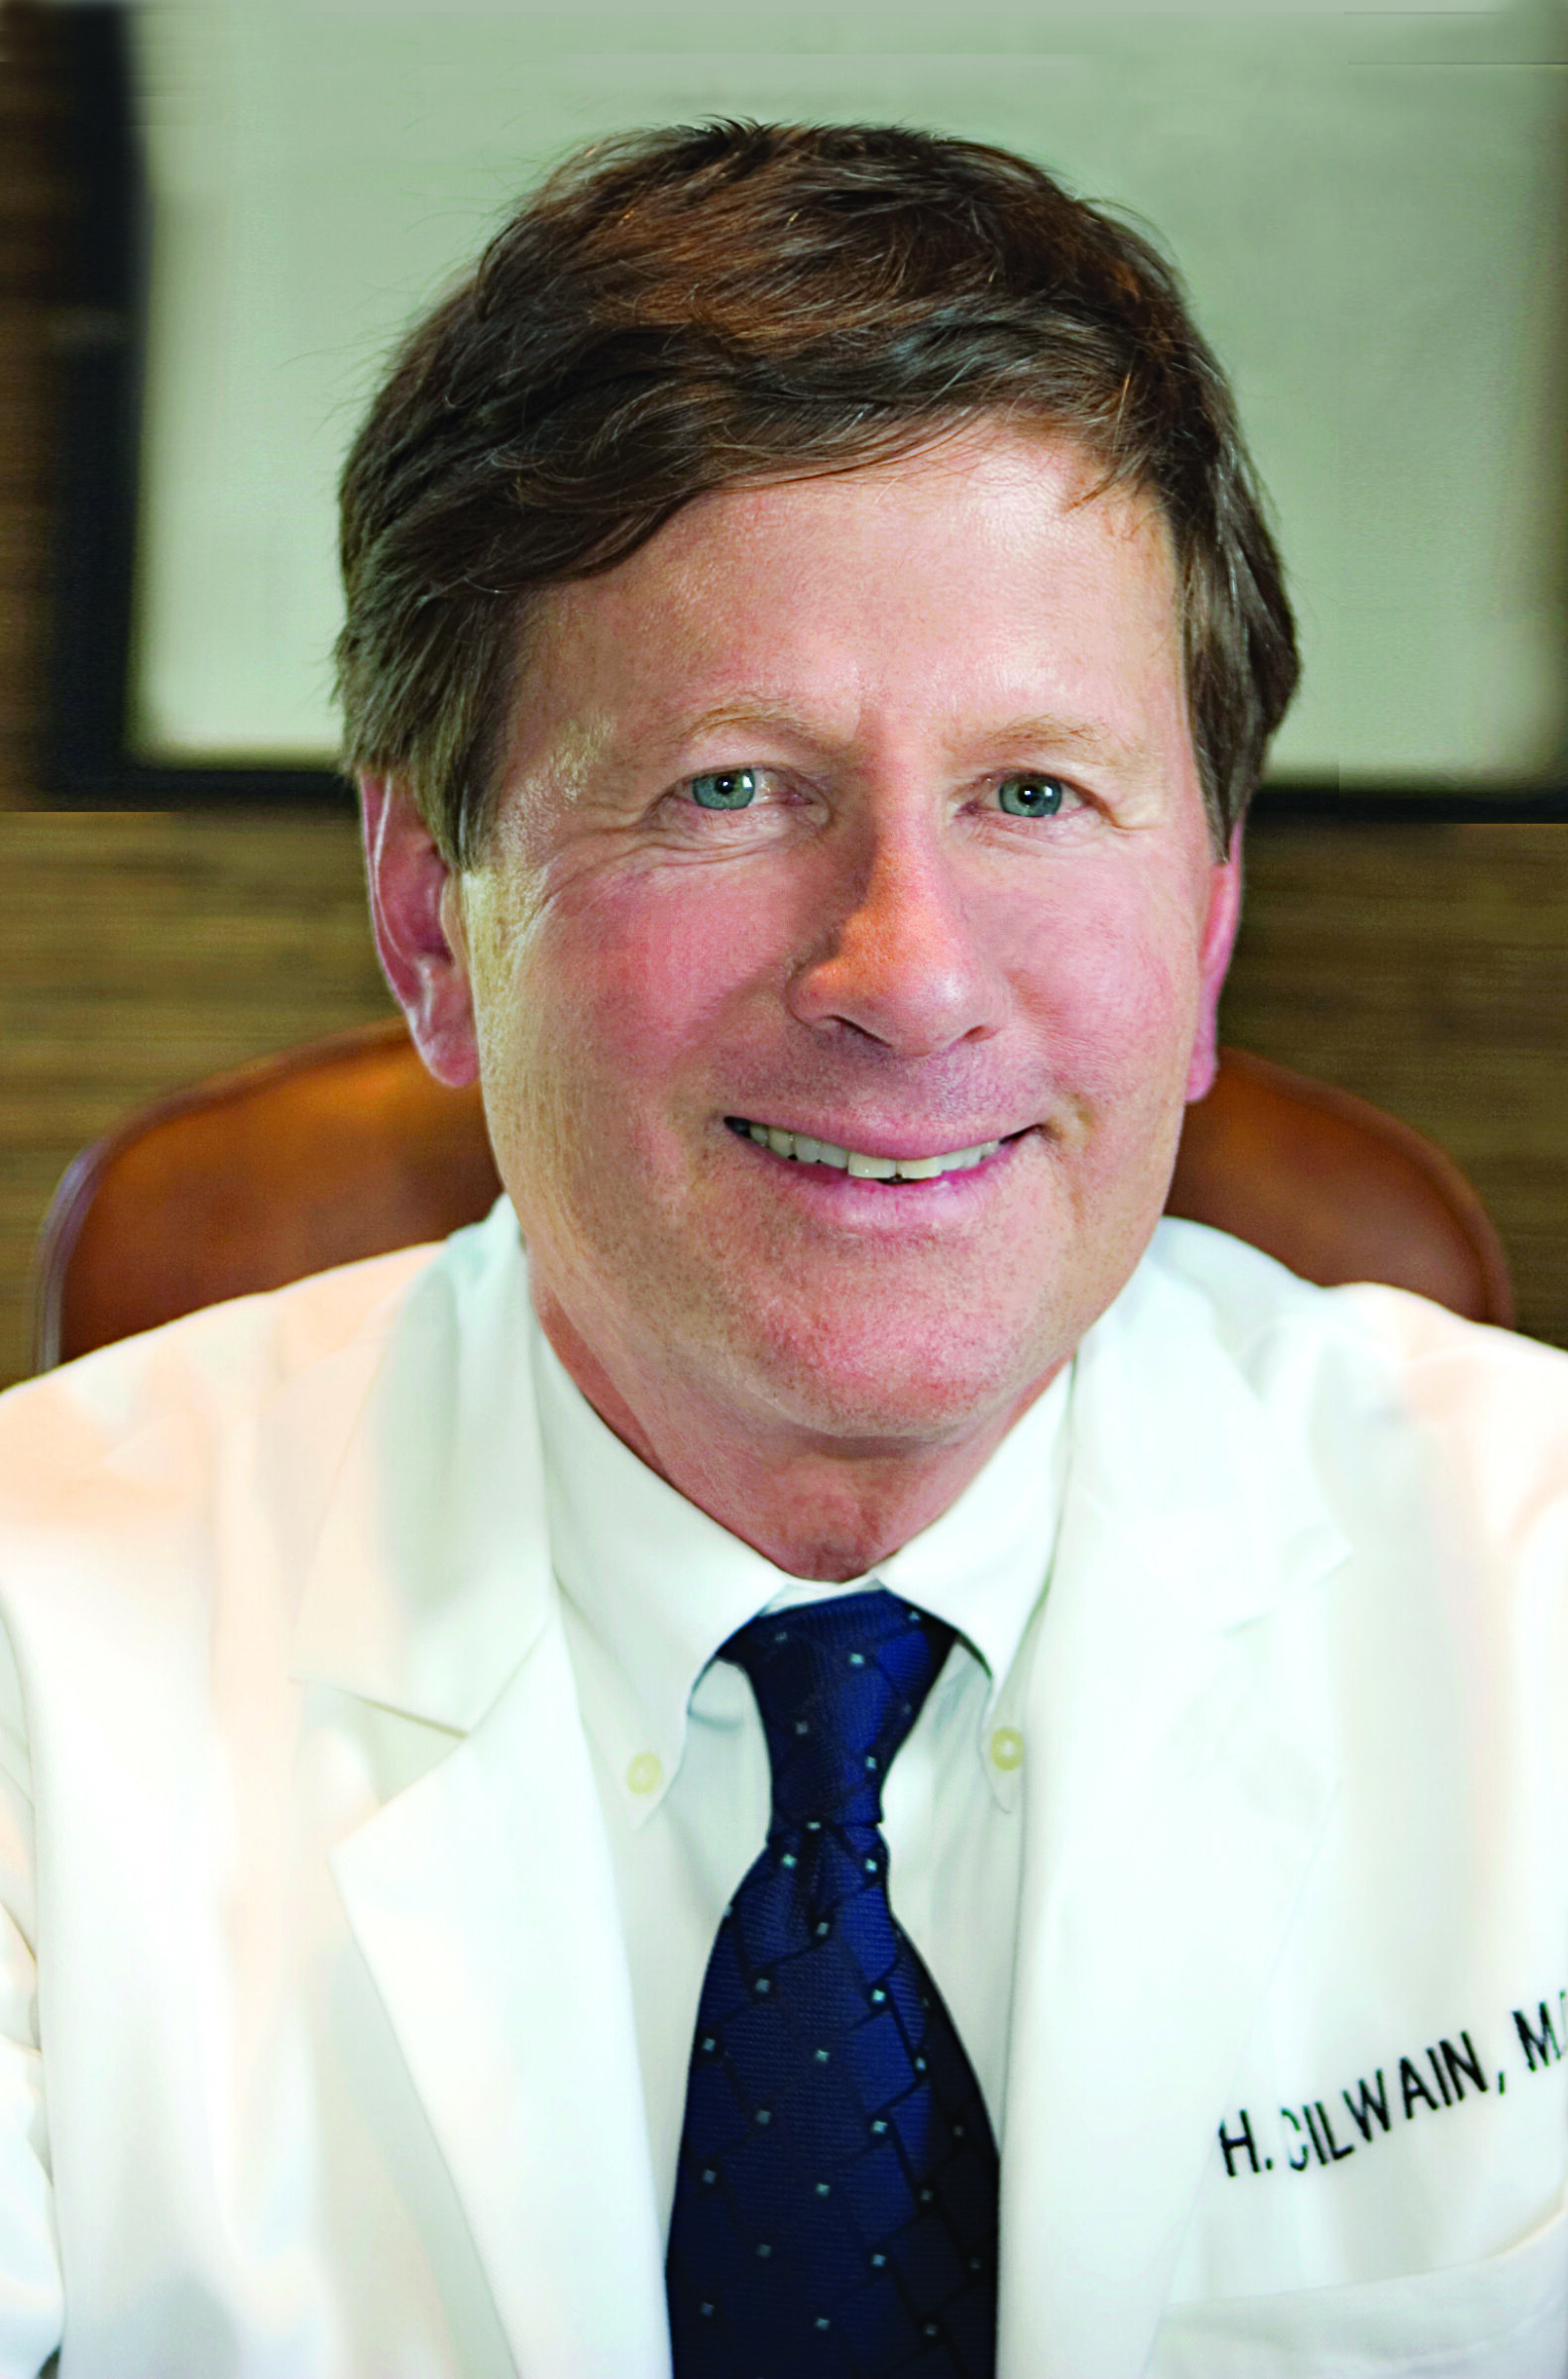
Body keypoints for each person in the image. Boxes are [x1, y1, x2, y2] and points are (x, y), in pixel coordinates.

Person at [1, 120, 1565, 2379]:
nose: (905, 973)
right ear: (433, 920)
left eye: (1035, 792)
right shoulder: (41, 1651)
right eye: (729, 786)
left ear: (1210, 924)